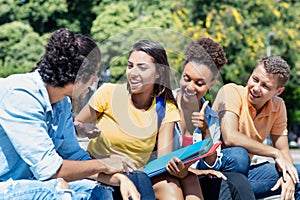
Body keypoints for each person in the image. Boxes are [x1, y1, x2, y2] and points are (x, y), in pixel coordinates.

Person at [0, 28, 140, 200]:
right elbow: (51, 171)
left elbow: (75, 157)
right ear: (78, 76)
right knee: (58, 190)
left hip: (34, 183)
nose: (96, 79)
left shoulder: (62, 103)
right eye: (93, 73)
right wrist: (104, 163)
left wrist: (119, 177)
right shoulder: (20, 95)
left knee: (102, 191)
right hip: (7, 185)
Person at [75, 39, 203, 199]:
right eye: (130, 66)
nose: (133, 73)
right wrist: (81, 128)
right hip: (101, 173)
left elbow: (162, 161)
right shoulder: (107, 93)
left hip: (137, 175)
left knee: (171, 188)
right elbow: (75, 127)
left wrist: (181, 167)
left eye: (142, 68)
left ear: (158, 73)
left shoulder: (165, 109)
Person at [163, 37, 255, 200]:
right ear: (182, 71)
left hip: (198, 179)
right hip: (169, 179)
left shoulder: (211, 117)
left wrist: (205, 132)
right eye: (186, 78)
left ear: (212, 83)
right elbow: (160, 158)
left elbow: (211, 164)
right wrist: (194, 172)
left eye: (199, 83)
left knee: (238, 181)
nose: (190, 87)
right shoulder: (164, 106)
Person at [212, 55, 300, 199]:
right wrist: (275, 153)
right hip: (214, 171)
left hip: (243, 177)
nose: (256, 88)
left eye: (265, 86)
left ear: (278, 91)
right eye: (255, 79)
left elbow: (283, 150)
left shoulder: (278, 106)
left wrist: (289, 175)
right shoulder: (231, 91)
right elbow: (230, 137)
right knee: (239, 155)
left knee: (297, 175)